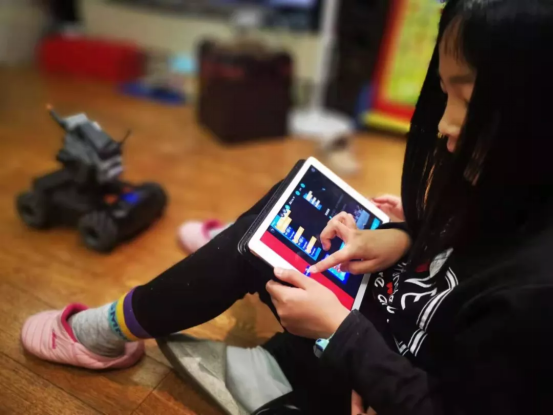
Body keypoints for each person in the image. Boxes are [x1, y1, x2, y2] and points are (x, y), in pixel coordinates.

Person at [21, 0, 553, 413]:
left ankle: (117, 328)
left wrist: (341, 335)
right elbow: (470, 249)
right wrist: (403, 233)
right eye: (444, 94)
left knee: (253, 245)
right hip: (387, 323)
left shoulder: (535, 295)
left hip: (383, 372)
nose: (443, 125)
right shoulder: (513, 185)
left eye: (470, 100)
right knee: (290, 205)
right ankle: (235, 257)